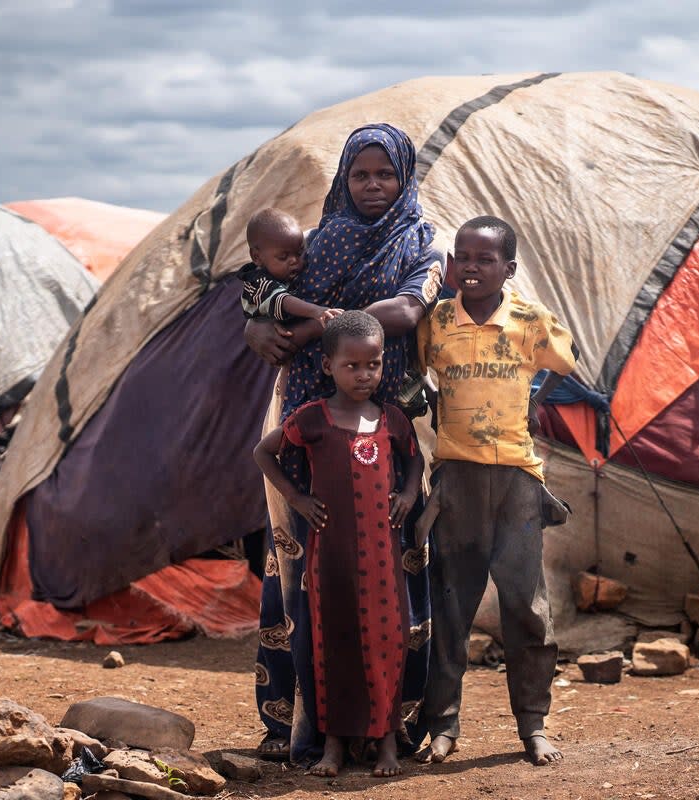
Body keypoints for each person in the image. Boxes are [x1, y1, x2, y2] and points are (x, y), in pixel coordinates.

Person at [247, 123, 444, 767]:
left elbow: (409, 312)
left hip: (383, 424)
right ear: (342, 178)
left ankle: (392, 724)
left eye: (384, 173)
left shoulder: (422, 243)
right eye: (359, 174)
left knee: (389, 569)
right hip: (309, 418)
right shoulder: (319, 239)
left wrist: (311, 330)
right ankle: (299, 729)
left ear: (404, 176)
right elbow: (265, 293)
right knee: (305, 570)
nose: (371, 185)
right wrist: (258, 324)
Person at [414, 215, 577, 767]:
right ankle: (442, 726)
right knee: (450, 608)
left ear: (508, 269)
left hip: (517, 483)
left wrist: (533, 397)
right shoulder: (436, 322)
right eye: (462, 257)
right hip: (457, 480)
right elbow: (415, 379)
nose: (470, 267)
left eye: (485, 259)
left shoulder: (529, 320)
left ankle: (533, 725)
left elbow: (564, 361)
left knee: (526, 609)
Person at [254, 311, 425, 778]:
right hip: (329, 557)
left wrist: (408, 495)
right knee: (333, 644)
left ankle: (386, 743)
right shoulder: (312, 419)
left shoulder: (391, 419)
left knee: (387, 644)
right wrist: (296, 498)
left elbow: (414, 461)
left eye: (373, 364)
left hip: (384, 559)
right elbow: (264, 453)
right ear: (328, 366)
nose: (365, 374)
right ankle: (332, 745)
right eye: (352, 366)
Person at [237, 208, 342, 324]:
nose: (294, 260)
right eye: (283, 257)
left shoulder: (287, 265)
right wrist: (317, 311)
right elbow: (284, 301)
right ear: (257, 257)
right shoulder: (258, 284)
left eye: (299, 252)